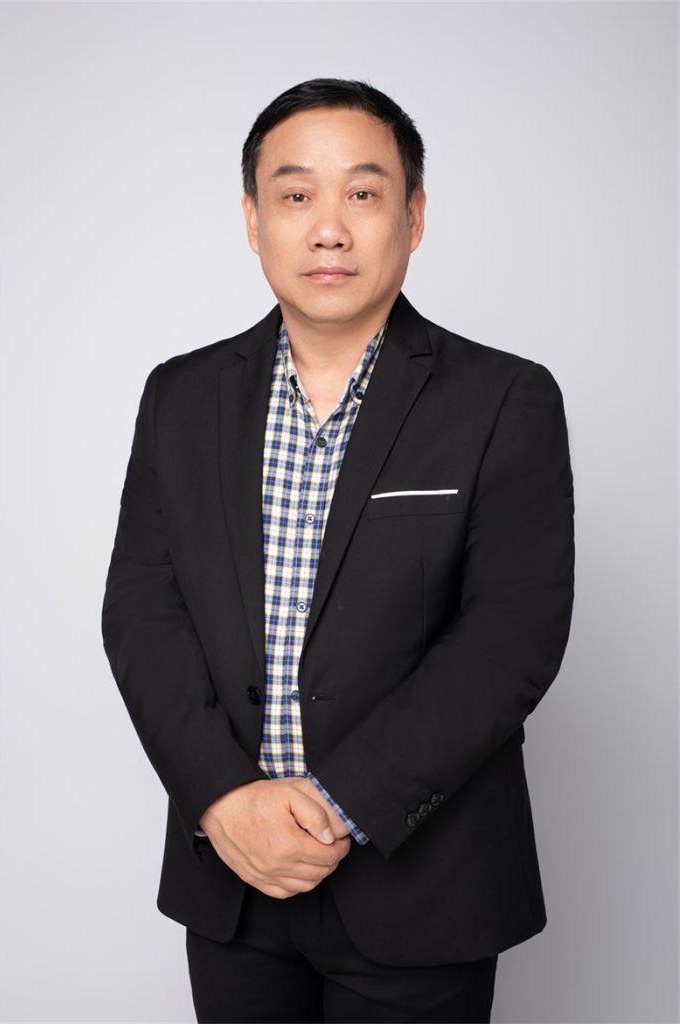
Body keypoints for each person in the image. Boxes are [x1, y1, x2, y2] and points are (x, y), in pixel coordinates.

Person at [101, 77, 575, 1024]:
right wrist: (223, 799)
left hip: (422, 887)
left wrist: (337, 805)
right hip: (232, 885)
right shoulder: (180, 397)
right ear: (253, 219)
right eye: (295, 195)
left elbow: (510, 638)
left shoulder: (504, 399)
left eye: (363, 193)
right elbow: (143, 613)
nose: (329, 229)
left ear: (414, 216)